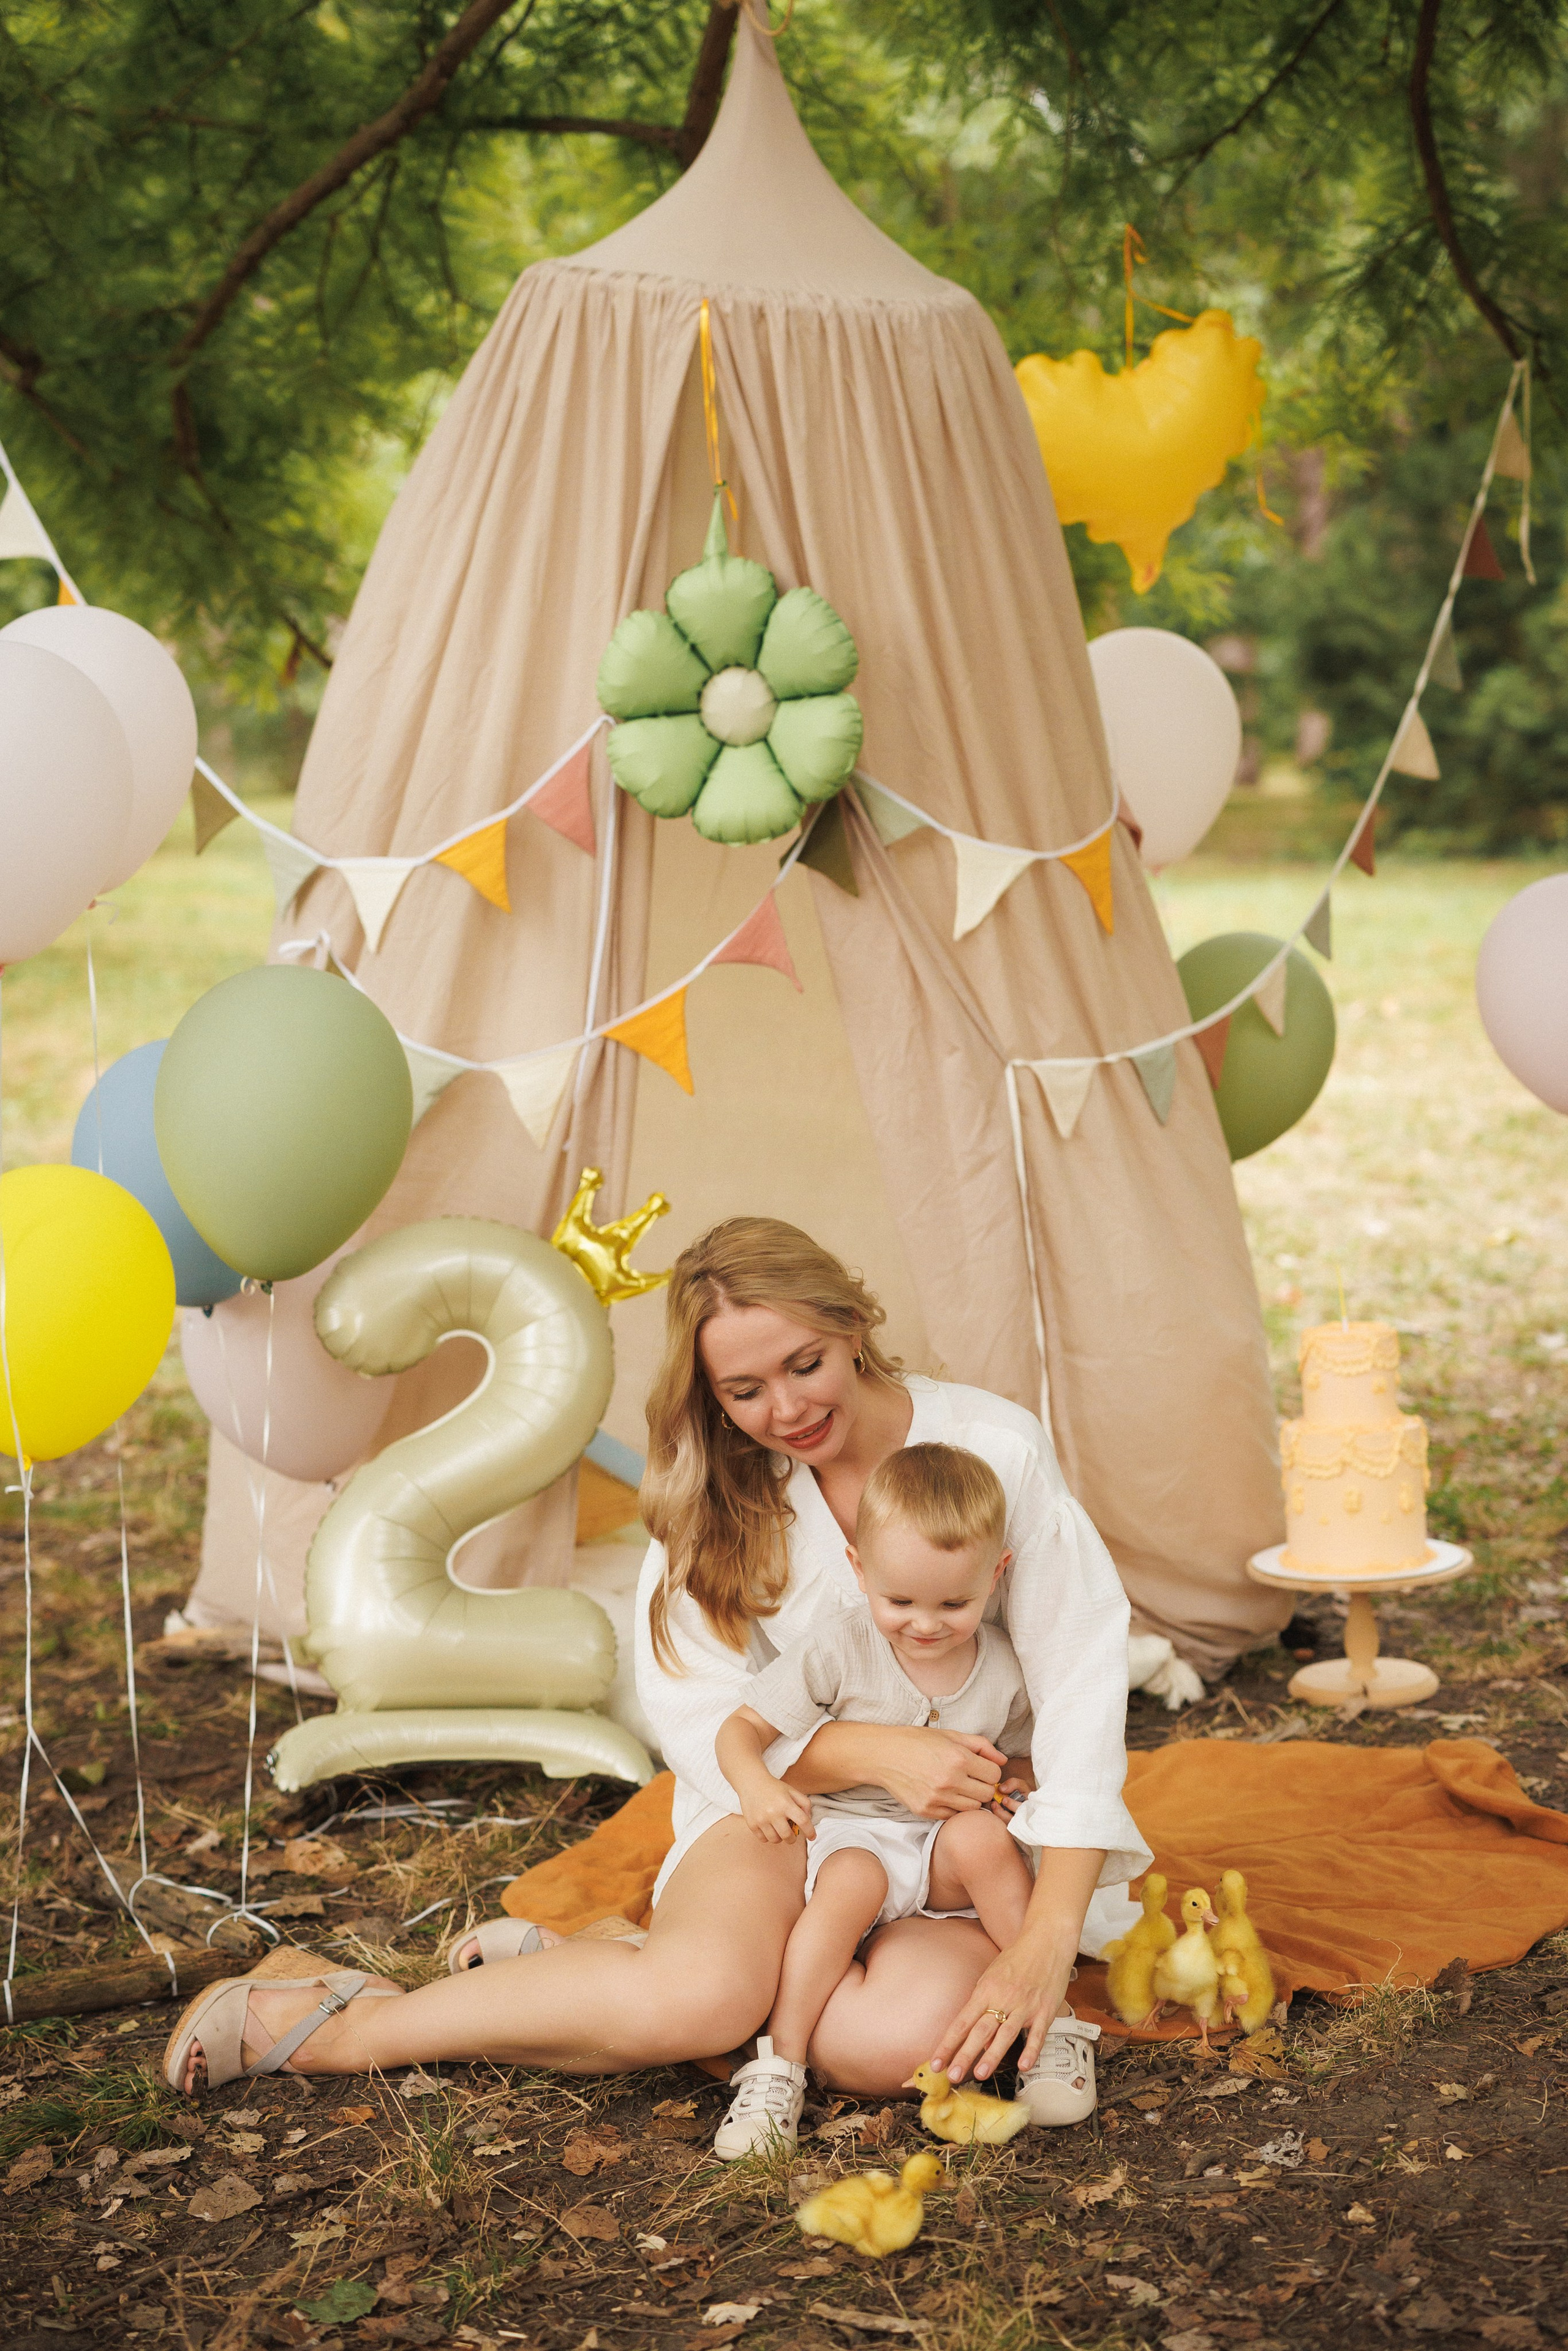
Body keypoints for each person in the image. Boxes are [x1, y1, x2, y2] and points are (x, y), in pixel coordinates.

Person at [164, 1218, 1148, 2110]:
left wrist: (1045, 1941)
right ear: (711, 1395)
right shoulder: (722, 1494)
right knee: (704, 2003)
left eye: (805, 1363)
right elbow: (696, 1713)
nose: (788, 1408)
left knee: (894, 2046)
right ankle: (350, 2023)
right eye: (746, 1391)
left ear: (853, 1323)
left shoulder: (991, 1447)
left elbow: (1080, 1681)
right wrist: (867, 1752)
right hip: (786, 1804)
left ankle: (600, 1967)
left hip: (960, 1834)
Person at [711, 1443, 1038, 2156]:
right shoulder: (840, 1647)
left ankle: (1052, 2013)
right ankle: (780, 2062)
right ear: (860, 1569)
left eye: (954, 1603)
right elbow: (741, 1729)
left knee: (984, 1842)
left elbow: (1021, 1754)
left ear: (996, 1574)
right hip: (856, 1833)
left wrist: (1016, 1787)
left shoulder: (1004, 1668)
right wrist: (756, 1784)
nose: (925, 1624)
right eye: (900, 1602)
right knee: (853, 1880)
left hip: (943, 1844)